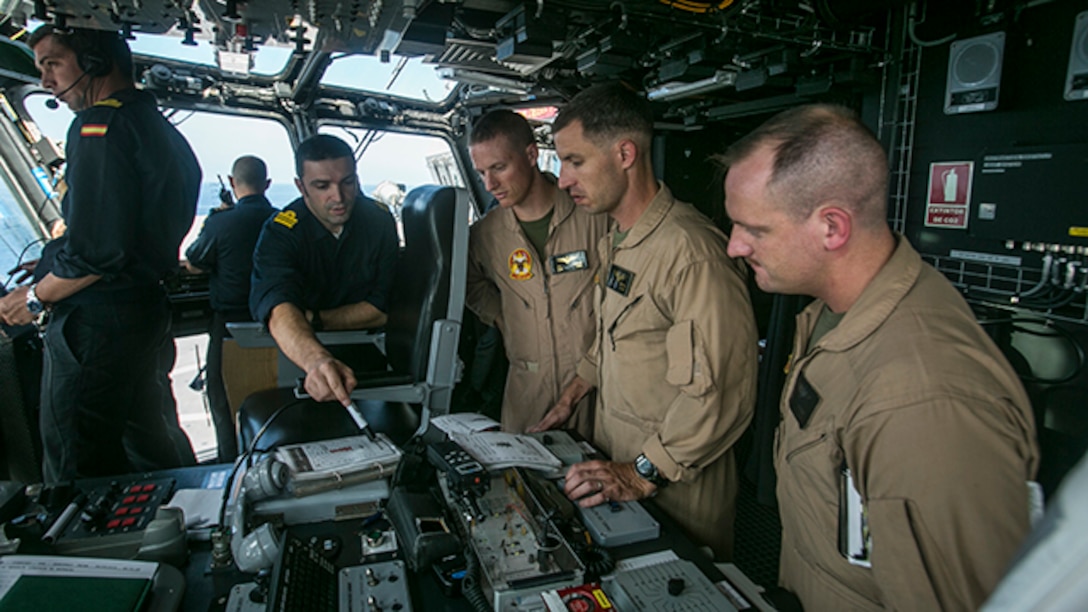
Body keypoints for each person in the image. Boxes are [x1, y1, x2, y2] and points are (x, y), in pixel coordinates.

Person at [718, 104, 1039, 610]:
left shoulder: (922, 399)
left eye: (753, 229)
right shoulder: (832, 312)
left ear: (832, 227)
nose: (735, 246)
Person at [530, 83, 758, 560]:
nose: (563, 180)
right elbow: (612, 340)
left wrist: (640, 473)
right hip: (618, 468)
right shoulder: (620, 240)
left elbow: (725, 393)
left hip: (676, 489)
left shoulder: (692, 253)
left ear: (625, 153)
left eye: (574, 161)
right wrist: (571, 396)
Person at [0, 25, 199, 482]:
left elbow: (98, 254)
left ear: (92, 60)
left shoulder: (97, 127)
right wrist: (54, 261)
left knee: (75, 460)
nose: (47, 80)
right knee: (154, 446)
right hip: (141, 311)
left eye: (52, 63)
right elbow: (121, 233)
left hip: (97, 324)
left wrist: (32, 298)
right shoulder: (159, 129)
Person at [465, 109, 610, 436]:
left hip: (597, 393)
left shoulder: (594, 216)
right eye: (481, 173)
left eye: (499, 168)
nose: (490, 184)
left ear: (531, 154)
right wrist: (501, 316)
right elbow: (471, 284)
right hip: (527, 396)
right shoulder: (486, 236)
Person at [250, 134, 399, 406]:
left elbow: (380, 309)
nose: (338, 197)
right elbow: (278, 306)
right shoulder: (281, 231)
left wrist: (315, 318)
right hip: (301, 360)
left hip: (370, 357)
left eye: (348, 182)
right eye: (322, 186)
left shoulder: (379, 221)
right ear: (300, 186)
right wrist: (317, 360)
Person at [184, 156, 276, 462]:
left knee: (224, 402)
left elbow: (196, 260)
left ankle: (229, 465)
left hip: (229, 327)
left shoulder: (219, 222)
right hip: (280, 324)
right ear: (268, 184)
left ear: (233, 183)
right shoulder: (284, 220)